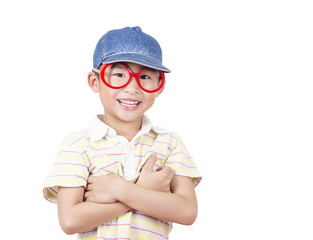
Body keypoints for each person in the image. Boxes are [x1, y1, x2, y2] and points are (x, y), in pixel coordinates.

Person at [43, 26, 202, 240]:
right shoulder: (79, 144)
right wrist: (144, 189)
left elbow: (187, 211)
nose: (132, 87)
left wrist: (122, 190)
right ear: (94, 81)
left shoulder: (170, 142)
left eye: (145, 76)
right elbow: (70, 220)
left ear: (160, 86)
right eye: (119, 75)